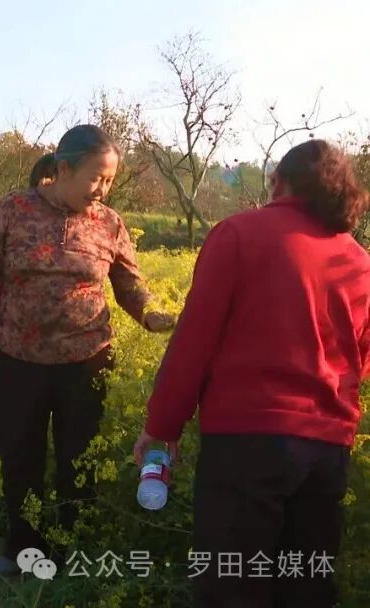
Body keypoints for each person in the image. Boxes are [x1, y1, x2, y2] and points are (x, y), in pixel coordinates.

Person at [135, 140, 370, 607]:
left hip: (248, 443)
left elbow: (194, 342)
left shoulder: (241, 234)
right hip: (326, 453)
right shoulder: (359, 262)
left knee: (231, 584)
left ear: (280, 181)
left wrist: (161, 427)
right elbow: (358, 360)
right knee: (305, 585)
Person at [0, 125, 175, 576]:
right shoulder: (15, 209)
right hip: (21, 361)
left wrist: (151, 312)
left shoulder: (109, 223)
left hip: (86, 361)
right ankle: (24, 551)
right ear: (63, 169)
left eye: (111, 180)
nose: (103, 189)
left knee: (79, 460)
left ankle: (72, 552)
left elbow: (131, 284)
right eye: (96, 177)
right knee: (21, 457)